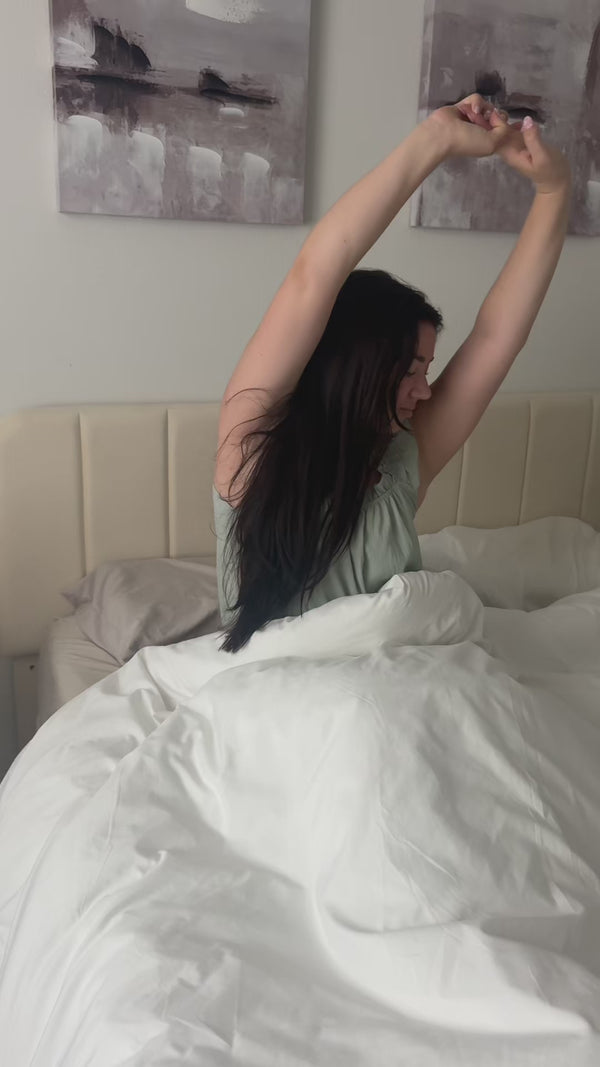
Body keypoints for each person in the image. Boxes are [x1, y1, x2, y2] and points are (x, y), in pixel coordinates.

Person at [214, 94, 571, 652]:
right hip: (279, 689)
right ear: (351, 366)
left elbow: (496, 337)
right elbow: (315, 274)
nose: (425, 391)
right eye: (409, 372)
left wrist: (554, 191)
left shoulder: (401, 460)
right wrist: (435, 140)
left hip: (397, 681)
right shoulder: (252, 445)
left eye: (427, 370)